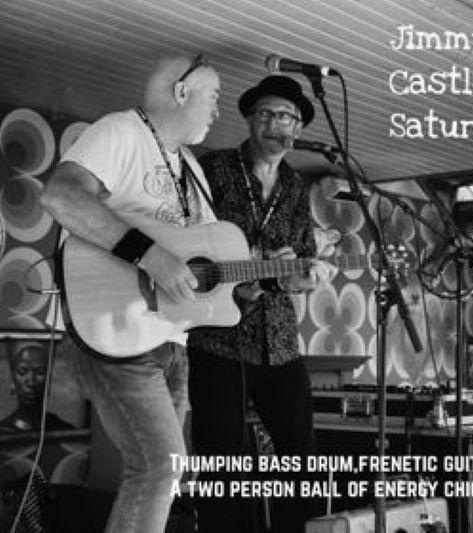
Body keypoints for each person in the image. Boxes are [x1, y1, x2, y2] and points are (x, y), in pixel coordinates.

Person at [40, 55, 220, 532]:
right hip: (115, 330)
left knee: (163, 470)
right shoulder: (121, 131)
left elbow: (205, 264)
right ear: (181, 92)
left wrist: (273, 274)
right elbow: (60, 196)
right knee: (160, 466)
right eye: (214, 98)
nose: (217, 113)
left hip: (170, 339)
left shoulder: (194, 172)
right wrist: (152, 257)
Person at [187, 75, 337, 533]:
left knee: (302, 459)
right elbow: (183, 233)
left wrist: (304, 278)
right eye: (267, 114)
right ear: (250, 120)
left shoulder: (294, 185)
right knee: (221, 463)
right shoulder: (212, 167)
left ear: (297, 127)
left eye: (287, 116)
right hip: (217, 337)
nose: (277, 124)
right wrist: (240, 273)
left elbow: (299, 255)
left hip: (279, 340)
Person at [0, 341, 73, 433]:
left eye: (39, 372)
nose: (31, 382)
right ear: (12, 380)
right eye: (22, 372)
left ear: (48, 380)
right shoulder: (3, 432)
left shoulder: (64, 430)